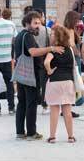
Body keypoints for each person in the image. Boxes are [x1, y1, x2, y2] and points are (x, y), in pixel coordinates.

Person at [14, 11, 61, 140]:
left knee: (22, 103)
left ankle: (20, 132)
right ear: (27, 23)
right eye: (35, 23)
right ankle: (31, 133)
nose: (38, 26)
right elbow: (33, 52)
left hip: (22, 74)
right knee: (31, 103)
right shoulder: (28, 36)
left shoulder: (19, 36)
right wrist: (50, 48)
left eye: (39, 23)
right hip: (31, 75)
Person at [43, 25, 76, 143]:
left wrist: (49, 70)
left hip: (55, 82)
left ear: (57, 37)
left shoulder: (53, 50)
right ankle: (70, 136)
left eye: (52, 34)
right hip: (68, 82)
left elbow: (47, 62)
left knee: (54, 110)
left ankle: (52, 137)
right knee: (67, 111)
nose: (50, 36)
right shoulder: (69, 50)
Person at [32, 8, 52, 114]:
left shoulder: (29, 30)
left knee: (34, 82)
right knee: (44, 83)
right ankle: (44, 105)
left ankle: (33, 102)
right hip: (43, 58)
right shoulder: (47, 30)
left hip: (33, 58)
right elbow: (51, 44)